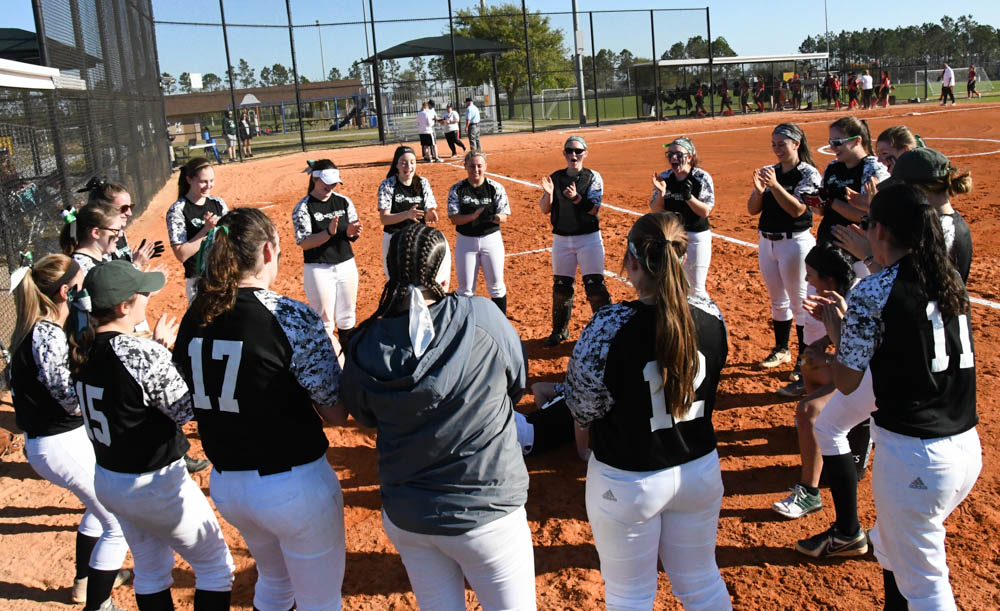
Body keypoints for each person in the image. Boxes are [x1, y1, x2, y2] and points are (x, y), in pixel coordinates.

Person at [535, 211, 731, 610]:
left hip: (628, 480)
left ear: (633, 263)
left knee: (631, 597)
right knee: (702, 583)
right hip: (699, 469)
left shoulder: (609, 324)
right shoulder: (712, 315)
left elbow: (582, 407)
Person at [339, 223, 536, 610]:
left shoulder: (363, 344)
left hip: (409, 517)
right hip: (487, 511)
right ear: (443, 272)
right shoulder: (481, 316)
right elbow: (518, 384)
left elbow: (363, 415)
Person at [815, 184, 980, 609]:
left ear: (880, 230)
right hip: (963, 447)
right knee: (890, 545)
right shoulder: (949, 279)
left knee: (926, 586)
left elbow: (848, 381)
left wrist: (836, 330)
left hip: (915, 458)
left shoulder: (872, 292)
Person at [174, 208, 347, 611]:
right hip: (293, 486)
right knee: (320, 600)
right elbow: (337, 414)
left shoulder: (194, 313)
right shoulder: (289, 315)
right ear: (268, 251)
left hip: (230, 486)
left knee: (274, 583)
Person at [68, 260, 235, 609]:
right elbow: (185, 410)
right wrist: (164, 353)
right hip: (154, 484)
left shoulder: (81, 348)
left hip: (111, 479)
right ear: (124, 306)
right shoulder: (140, 353)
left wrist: (157, 353)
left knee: (150, 569)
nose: (147, 297)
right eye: (141, 293)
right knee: (215, 566)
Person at [8, 254, 131, 611]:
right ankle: (99, 603)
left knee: (99, 503)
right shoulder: (46, 334)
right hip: (58, 443)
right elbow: (70, 399)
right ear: (66, 291)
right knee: (117, 520)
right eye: (81, 283)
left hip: (55, 441)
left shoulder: (42, 327)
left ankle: (85, 581)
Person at [769, 244, 858, 519]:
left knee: (808, 410)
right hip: (853, 374)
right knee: (808, 362)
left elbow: (865, 360)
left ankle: (809, 492)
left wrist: (829, 360)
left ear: (829, 280)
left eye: (811, 275)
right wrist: (820, 345)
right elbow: (842, 338)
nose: (807, 280)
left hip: (870, 382)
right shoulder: (842, 294)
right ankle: (821, 437)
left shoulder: (857, 301)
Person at [747, 123, 822, 389]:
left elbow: (798, 210)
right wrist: (759, 190)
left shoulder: (808, 173)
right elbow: (752, 210)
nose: (777, 149)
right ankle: (782, 349)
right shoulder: (771, 172)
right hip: (767, 242)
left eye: (782, 144)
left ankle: (804, 358)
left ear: (796, 144)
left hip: (795, 244)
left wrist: (776, 186)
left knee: (800, 303)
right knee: (778, 301)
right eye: (774, 144)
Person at [539, 135, 611, 345]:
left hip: (588, 239)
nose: (573, 155)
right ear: (564, 153)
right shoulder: (556, 177)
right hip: (562, 240)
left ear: (585, 154)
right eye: (569, 150)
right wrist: (548, 194)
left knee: (595, 287)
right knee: (561, 287)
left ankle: (607, 330)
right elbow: (545, 209)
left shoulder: (593, 177)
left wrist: (576, 198)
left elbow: (594, 208)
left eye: (578, 151)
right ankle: (560, 330)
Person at [291, 159, 363, 351]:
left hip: (346, 264)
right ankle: (330, 366)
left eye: (334, 182)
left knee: (347, 317)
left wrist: (352, 233)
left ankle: (350, 363)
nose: (330, 186)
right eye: (326, 182)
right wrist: (328, 233)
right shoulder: (304, 207)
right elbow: (305, 243)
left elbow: (351, 230)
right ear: (315, 179)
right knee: (325, 323)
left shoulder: (343, 201)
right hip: (319, 268)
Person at [813, 116, 889, 277]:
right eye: (831, 142)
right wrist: (816, 203)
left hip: (859, 254)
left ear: (857, 141)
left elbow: (866, 215)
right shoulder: (832, 167)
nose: (833, 148)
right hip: (830, 248)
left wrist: (832, 202)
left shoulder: (873, 169)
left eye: (838, 142)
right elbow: (821, 211)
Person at [650, 136, 716, 298]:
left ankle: (705, 321)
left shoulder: (701, 178)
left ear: (690, 157)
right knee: (671, 287)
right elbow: (656, 209)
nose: (673, 158)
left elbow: (705, 211)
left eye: (679, 154)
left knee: (696, 290)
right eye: (670, 154)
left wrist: (689, 198)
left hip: (696, 238)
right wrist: (660, 193)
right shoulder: (664, 178)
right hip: (672, 238)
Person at [447, 151, 511, 315]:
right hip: (466, 242)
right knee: (466, 289)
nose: (476, 169)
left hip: (491, 240)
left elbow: (504, 216)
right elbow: (454, 218)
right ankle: (466, 326)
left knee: (497, 287)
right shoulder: (457, 189)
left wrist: (493, 217)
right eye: (472, 166)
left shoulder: (495, 188)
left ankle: (500, 324)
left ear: (485, 166)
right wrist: (473, 216)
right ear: (465, 167)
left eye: (479, 165)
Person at [167, 157, 228, 302]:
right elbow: (181, 254)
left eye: (211, 180)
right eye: (203, 181)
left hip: (223, 273)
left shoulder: (218, 203)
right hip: (198, 280)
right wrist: (206, 230)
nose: (209, 185)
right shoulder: (178, 210)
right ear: (189, 179)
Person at [376, 145, 439, 278]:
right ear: (396, 165)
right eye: (403, 163)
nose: (408, 167)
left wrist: (431, 213)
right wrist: (407, 215)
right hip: (394, 238)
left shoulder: (423, 183)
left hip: (419, 239)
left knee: (421, 280)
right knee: (395, 281)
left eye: (412, 162)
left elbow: (429, 209)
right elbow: (384, 219)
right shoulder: (388, 185)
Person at [77, 177, 163, 269]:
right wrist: (136, 265)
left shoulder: (117, 234)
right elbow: (114, 279)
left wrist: (133, 258)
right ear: (105, 209)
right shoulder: (97, 244)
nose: (130, 213)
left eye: (131, 206)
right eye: (124, 208)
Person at [60, 202, 126, 275]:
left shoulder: (104, 256)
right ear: (96, 233)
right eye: (116, 230)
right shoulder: (81, 269)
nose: (120, 234)